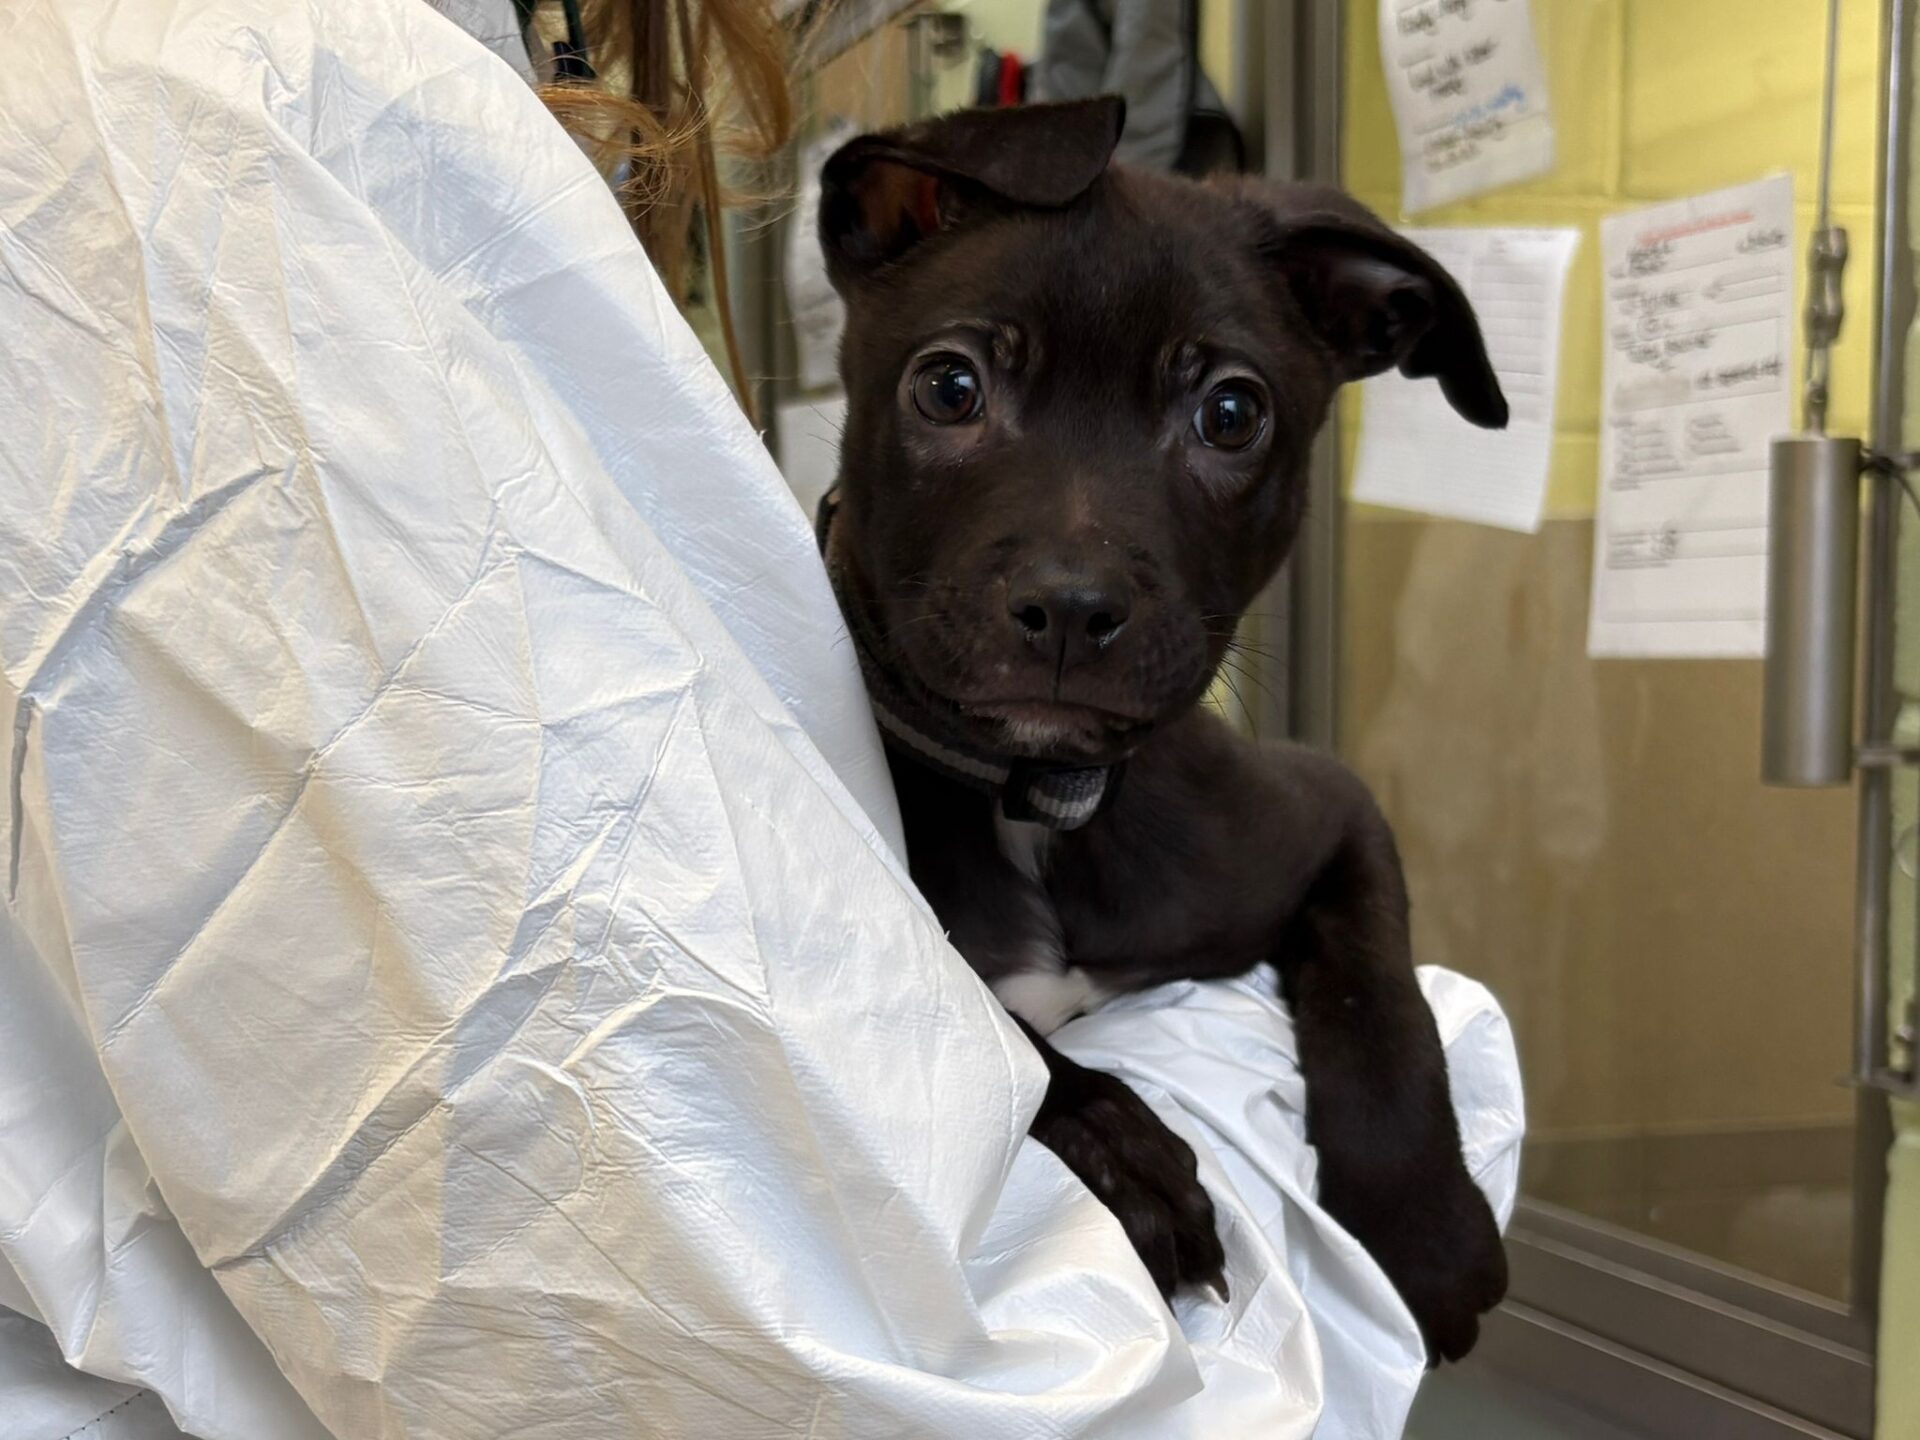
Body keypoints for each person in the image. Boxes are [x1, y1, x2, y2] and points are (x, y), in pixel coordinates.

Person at [0, 4, 1520, 1437]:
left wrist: (1388, 1105)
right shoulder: (771, 769)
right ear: (876, 233)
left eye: (1226, 418)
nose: (1074, 569)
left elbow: (1334, 830)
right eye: (958, 388)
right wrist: (1045, 1100)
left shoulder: (1208, 823)